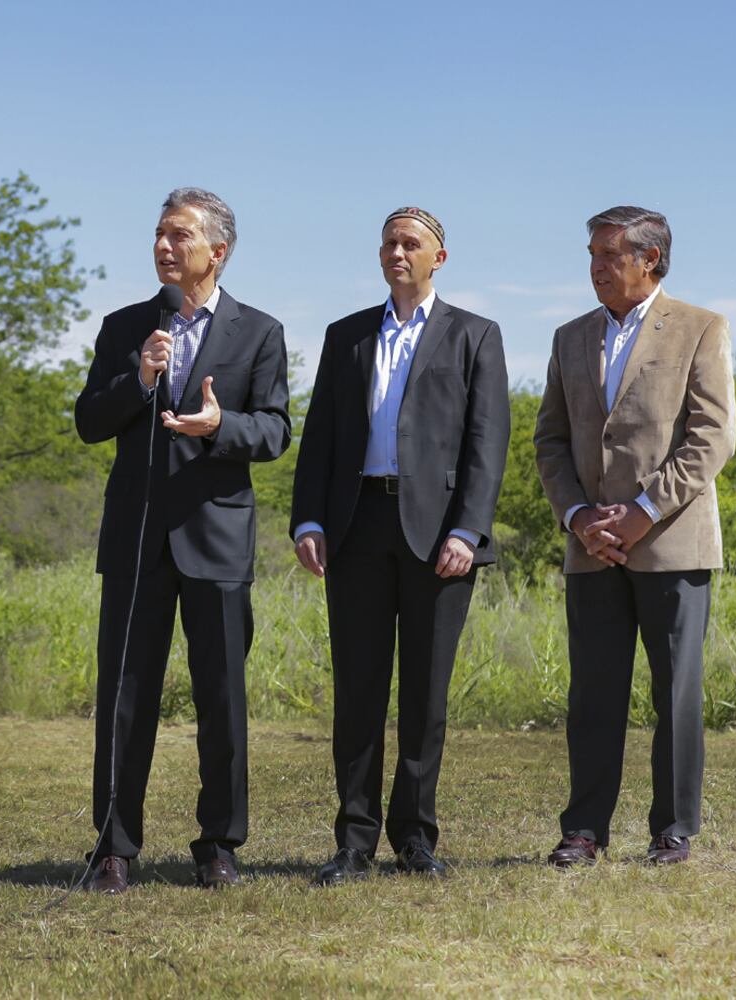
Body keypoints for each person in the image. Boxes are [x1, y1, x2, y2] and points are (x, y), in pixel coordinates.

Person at [74, 188, 291, 893]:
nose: (164, 247)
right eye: (159, 235)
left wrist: (218, 428)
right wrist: (140, 378)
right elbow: (89, 421)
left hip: (217, 540)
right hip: (137, 541)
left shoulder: (260, 332)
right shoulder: (127, 326)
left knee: (222, 698)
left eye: (179, 236)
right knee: (124, 696)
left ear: (217, 250)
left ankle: (220, 844)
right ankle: (113, 846)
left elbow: (275, 431)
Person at [290, 207, 510, 885]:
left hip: (440, 537)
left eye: (410, 243)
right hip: (355, 529)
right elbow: (320, 434)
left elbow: (487, 441)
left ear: (439, 258)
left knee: (425, 695)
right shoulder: (348, 335)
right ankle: (353, 842)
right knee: (358, 693)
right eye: (388, 242)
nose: (396, 251)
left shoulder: (475, 335)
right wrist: (308, 520)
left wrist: (467, 531)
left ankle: (415, 837)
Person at [533, 205, 736, 867]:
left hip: (673, 544)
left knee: (674, 689)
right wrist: (580, 518)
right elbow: (551, 442)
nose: (595, 267)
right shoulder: (569, 337)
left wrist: (644, 511)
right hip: (591, 549)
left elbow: (712, 438)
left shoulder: (702, 329)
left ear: (650, 259)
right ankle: (584, 830)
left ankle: (673, 831)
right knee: (593, 694)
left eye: (610, 255)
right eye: (591, 254)